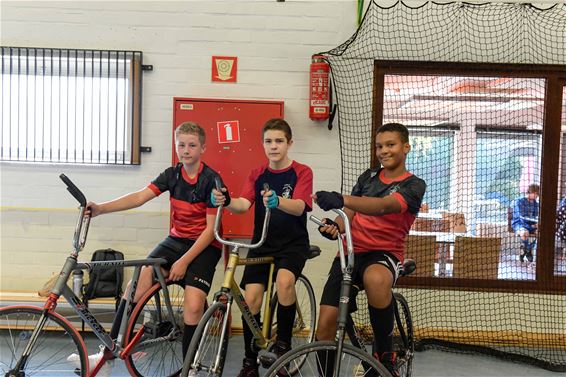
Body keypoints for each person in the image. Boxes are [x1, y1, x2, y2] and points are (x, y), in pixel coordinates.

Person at [68, 122, 225, 376]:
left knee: (194, 306)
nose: (185, 150)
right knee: (134, 288)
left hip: (205, 245)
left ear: (203, 148)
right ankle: (107, 355)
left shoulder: (211, 181)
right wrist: (101, 209)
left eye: (192, 145)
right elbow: (139, 197)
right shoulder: (171, 175)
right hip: (176, 240)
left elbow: (210, 231)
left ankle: (189, 369)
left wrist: (184, 262)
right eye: (181, 145)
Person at [313, 122, 426, 377]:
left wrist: (342, 198)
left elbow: (384, 205)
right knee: (326, 323)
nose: (383, 151)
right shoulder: (368, 177)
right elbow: (349, 213)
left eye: (390, 145)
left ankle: (384, 356)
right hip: (351, 252)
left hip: (384, 253)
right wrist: (336, 226)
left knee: (375, 279)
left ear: (406, 147)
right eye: (379, 146)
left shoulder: (414, 185)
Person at [212, 118, 313, 377]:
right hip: (262, 243)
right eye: (268, 141)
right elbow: (244, 204)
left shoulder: (301, 171)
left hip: (292, 244)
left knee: (284, 281)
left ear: (289, 143)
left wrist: (278, 201)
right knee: (251, 299)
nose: (274, 146)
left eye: (279, 141)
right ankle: (249, 361)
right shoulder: (257, 174)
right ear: (262, 144)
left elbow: (300, 206)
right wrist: (225, 200)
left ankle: (284, 347)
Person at [511, 183, 539, 263]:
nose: (537, 196)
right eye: (536, 193)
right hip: (519, 224)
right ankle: (528, 250)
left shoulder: (536, 204)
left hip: (531, 225)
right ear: (531, 192)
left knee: (542, 233)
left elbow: (536, 216)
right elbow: (521, 216)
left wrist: (537, 223)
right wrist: (533, 225)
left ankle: (527, 248)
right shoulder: (519, 201)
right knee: (524, 233)